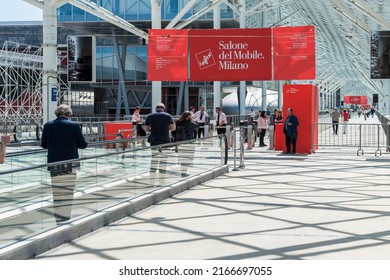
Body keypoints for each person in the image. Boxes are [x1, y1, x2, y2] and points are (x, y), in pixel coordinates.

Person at [41, 104, 88, 224]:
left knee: (56, 192)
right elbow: (83, 144)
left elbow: (44, 144)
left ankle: (58, 219)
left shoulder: (48, 125)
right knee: (68, 191)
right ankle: (65, 219)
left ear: (57, 112)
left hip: (54, 163)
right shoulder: (74, 125)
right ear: (69, 113)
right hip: (70, 163)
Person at [144, 103, 176, 183]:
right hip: (164, 139)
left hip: (154, 140)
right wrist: (167, 128)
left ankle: (152, 178)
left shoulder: (150, 116)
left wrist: (152, 130)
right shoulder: (167, 116)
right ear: (163, 109)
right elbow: (173, 128)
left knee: (154, 158)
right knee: (164, 159)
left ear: (156, 108)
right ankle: (162, 178)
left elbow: (146, 128)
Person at [173, 111, 200, 177]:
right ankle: (184, 172)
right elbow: (198, 126)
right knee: (187, 158)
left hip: (179, 143)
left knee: (181, 157)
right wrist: (193, 120)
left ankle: (183, 172)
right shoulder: (189, 123)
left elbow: (173, 133)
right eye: (190, 115)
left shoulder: (177, 122)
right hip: (188, 143)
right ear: (188, 116)